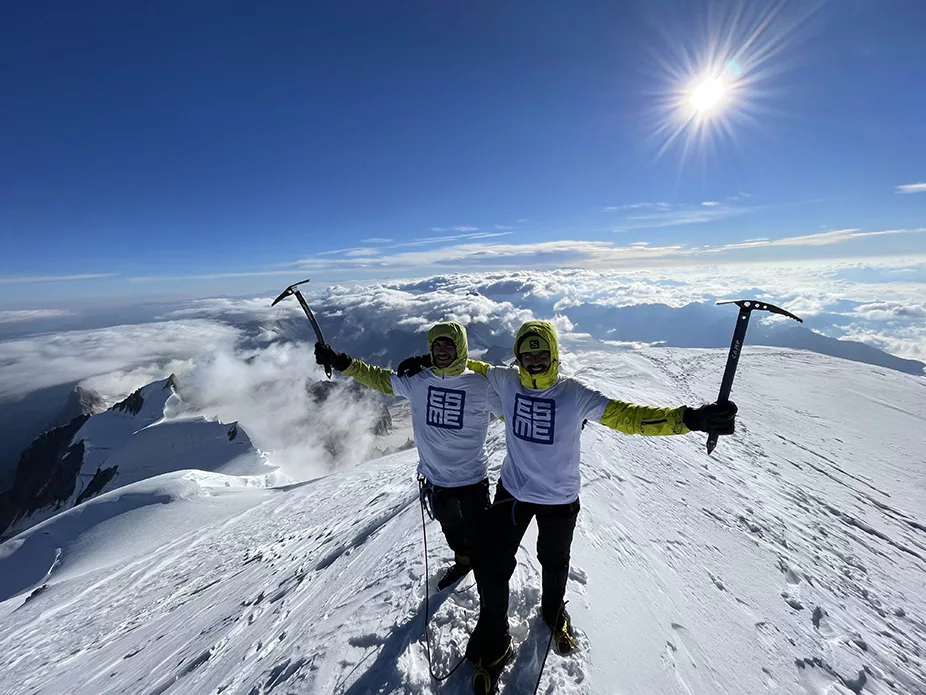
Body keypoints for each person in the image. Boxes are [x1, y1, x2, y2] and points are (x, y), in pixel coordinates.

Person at [466, 320, 737, 692]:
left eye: (541, 352)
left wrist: (690, 418)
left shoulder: (574, 394)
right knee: (492, 563)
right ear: (518, 356)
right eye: (527, 353)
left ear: (554, 354)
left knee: (555, 560)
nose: (534, 359)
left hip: (558, 498)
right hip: (514, 490)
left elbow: (629, 418)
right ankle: (494, 639)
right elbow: (468, 365)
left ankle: (552, 610)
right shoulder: (506, 381)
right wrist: (428, 360)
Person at [314, 321, 501, 589]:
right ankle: (464, 561)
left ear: (460, 348)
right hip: (437, 480)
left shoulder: (480, 385)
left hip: (472, 480)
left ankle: (488, 587)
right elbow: (378, 378)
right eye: (437, 345)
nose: (443, 350)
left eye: (449, 344)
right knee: (451, 531)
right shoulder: (418, 381)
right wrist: (341, 362)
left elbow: (513, 410)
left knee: (480, 536)